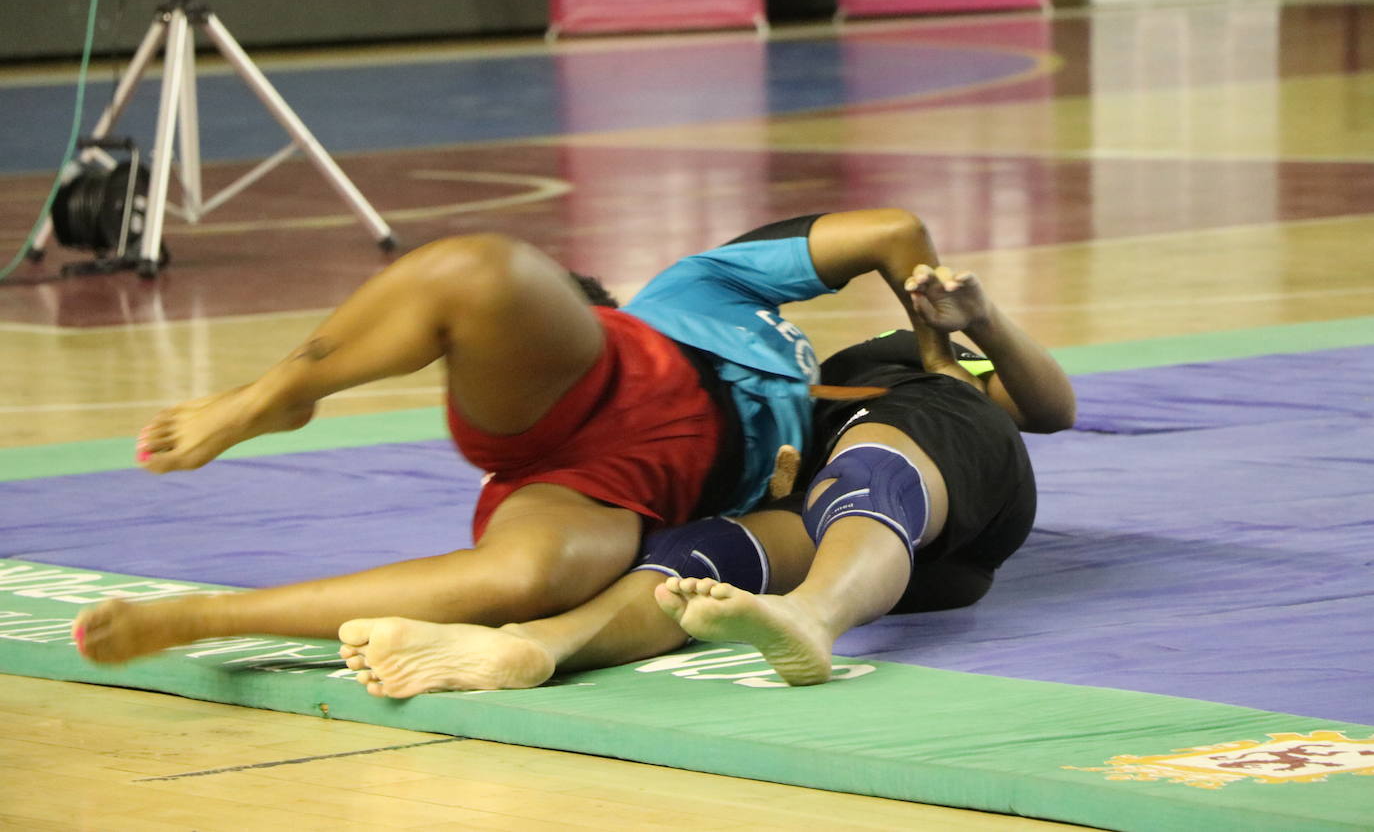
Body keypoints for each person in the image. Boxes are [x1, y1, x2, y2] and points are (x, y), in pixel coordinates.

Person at [74, 209, 1036, 664]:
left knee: (516, 583)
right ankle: (279, 394)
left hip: (612, 494)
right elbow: (892, 231)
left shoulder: (841, 409)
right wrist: (939, 345)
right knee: (486, 274)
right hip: (609, 390)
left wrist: (940, 358)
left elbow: (903, 246)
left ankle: (204, 617)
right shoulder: (698, 285)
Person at [332, 262, 1076, 696]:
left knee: (866, 458)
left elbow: (1048, 408)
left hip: (941, 462)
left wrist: (984, 323)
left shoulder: (863, 364)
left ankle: (812, 619)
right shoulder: (624, 464)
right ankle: (536, 648)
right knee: (696, 558)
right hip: (897, 568)